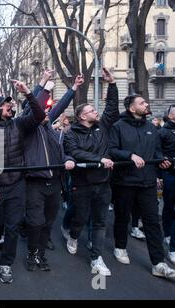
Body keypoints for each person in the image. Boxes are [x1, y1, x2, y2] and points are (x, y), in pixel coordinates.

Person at [0, 80, 45, 284]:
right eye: (6, 103)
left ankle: (6, 263)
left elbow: (39, 115)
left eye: (10, 103)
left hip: (17, 184)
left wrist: (28, 92)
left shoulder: (19, 123)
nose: (10, 105)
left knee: (13, 226)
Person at [22, 73, 83, 271]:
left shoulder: (52, 131)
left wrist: (74, 87)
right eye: (41, 111)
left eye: (48, 111)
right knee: (35, 221)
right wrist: (40, 85)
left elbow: (60, 107)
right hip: (34, 183)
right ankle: (32, 253)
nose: (46, 114)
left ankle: (41, 254)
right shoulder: (27, 128)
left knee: (48, 222)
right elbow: (31, 106)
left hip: (54, 184)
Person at [109, 95, 175, 280]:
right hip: (125, 182)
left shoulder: (151, 127)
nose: (146, 104)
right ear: (132, 108)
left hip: (147, 181)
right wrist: (130, 155)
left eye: (146, 102)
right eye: (142, 103)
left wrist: (161, 161)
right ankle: (120, 247)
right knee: (122, 217)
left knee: (152, 222)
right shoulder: (118, 127)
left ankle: (158, 263)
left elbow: (156, 150)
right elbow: (112, 150)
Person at [63, 67, 119, 276]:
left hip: (103, 184)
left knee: (100, 221)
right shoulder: (71, 134)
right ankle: (74, 235)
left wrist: (112, 83)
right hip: (82, 184)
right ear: (82, 116)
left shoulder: (101, 127)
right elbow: (75, 152)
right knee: (80, 218)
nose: (97, 112)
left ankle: (96, 258)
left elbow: (112, 109)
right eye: (92, 111)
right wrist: (99, 159)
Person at [158, 104, 175, 264]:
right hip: (169, 175)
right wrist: (159, 174)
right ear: (170, 115)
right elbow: (157, 152)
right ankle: (168, 234)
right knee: (169, 206)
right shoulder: (163, 132)